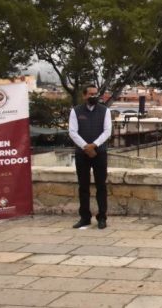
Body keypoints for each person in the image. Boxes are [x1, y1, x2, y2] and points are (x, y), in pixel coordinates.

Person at [68, 84, 112, 229]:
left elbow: (107, 131)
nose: (93, 96)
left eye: (95, 94)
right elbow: (73, 132)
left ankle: (102, 217)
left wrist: (94, 145)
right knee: (83, 186)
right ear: (84, 95)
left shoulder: (105, 111)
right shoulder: (75, 111)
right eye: (90, 94)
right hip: (82, 153)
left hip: (99, 153)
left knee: (101, 186)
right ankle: (85, 217)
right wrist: (85, 147)